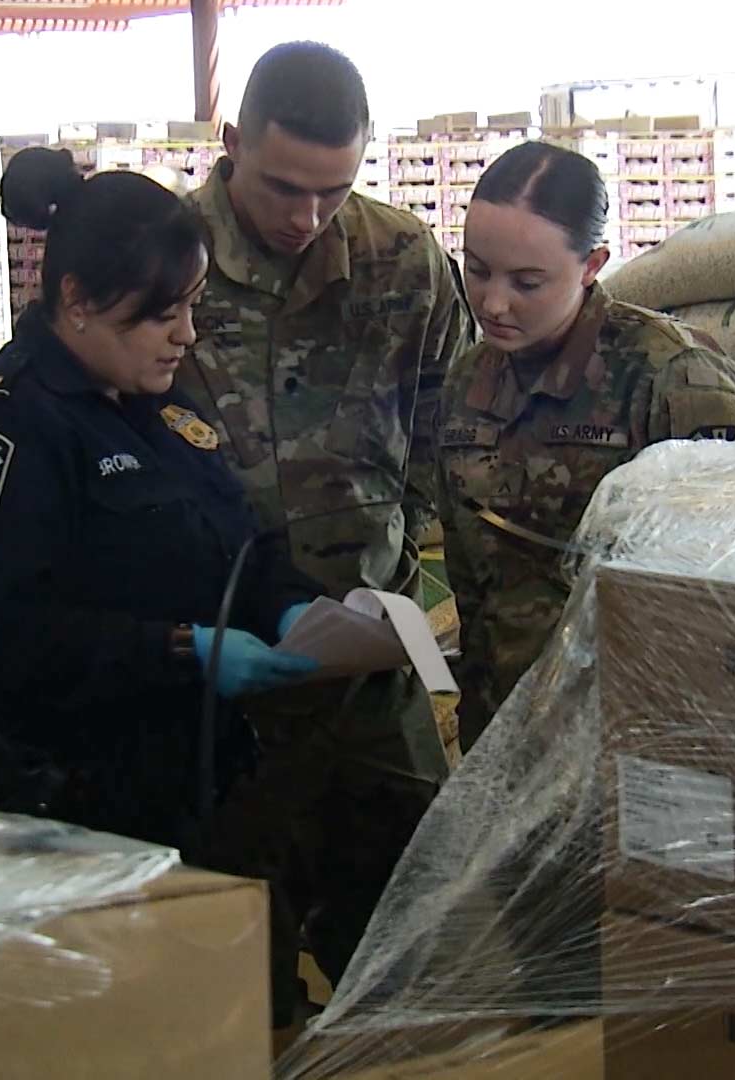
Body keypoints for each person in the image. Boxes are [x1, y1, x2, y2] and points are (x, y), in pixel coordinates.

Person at [0, 147, 329, 1025]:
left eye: (191, 309)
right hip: (64, 818)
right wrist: (184, 651)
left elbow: (235, 541)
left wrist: (292, 606)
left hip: (192, 799)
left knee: (244, 1026)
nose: (187, 335)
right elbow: (2, 638)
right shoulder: (2, 434)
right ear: (78, 301)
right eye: (161, 314)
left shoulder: (161, 411)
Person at [175, 41, 475, 995]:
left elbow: (451, 426)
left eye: (334, 191)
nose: (308, 217)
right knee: (227, 985)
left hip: (367, 673)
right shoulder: (163, 254)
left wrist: (393, 570)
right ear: (231, 143)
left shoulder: (402, 260)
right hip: (215, 679)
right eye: (284, 188)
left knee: (416, 953)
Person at [439, 141, 735, 753]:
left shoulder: (668, 376)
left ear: (592, 265)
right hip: (501, 730)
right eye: (477, 271)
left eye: (527, 282)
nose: (494, 303)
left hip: (629, 736)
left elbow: (728, 593)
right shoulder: (469, 379)